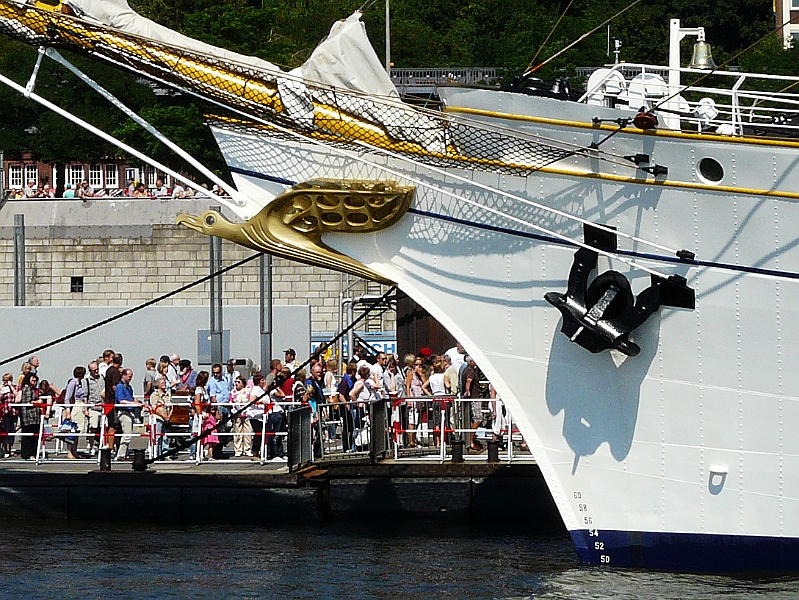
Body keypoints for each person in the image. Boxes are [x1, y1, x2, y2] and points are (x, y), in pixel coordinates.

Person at [62, 366, 87, 459]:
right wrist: (68, 410)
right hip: (75, 406)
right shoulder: (73, 383)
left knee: (77, 431)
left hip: (79, 406)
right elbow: (67, 397)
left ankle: (74, 451)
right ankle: (69, 452)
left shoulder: (80, 383)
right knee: (72, 430)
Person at [114, 368, 139, 461]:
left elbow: (131, 398)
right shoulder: (120, 387)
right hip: (123, 412)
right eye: (129, 377)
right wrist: (133, 403)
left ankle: (124, 453)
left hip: (130, 412)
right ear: (123, 375)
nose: (130, 378)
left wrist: (135, 401)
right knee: (127, 434)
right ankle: (121, 455)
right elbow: (121, 401)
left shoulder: (128, 387)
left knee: (128, 433)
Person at [462, 356, 483, 452]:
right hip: (474, 398)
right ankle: (470, 440)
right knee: (478, 418)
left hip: (473, 398)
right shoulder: (470, 370)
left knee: (474, 419)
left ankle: (470, 439)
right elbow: (469, 380)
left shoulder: (466, 369)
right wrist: (467, 391)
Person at [83, 361, 105, 457]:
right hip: (93, 407)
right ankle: (91, 446)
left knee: (104, 428)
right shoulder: (87, 381)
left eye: (97, 369)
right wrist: (86, 409)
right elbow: (85, 396)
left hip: (103, 407)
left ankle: (103, 446)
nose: (96, 372)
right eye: (94, 370)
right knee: (93, 428)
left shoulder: (103, 378)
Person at [19, 373, 41, 460]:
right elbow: (28, 402)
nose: (34, 382)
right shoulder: (28, 389)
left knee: (29, 435)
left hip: (30, 416)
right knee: (30, 436)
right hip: (30, 416)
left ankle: (29, 453)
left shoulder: (27, 389)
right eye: (33, 380)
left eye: (35, 381)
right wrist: (38, 402)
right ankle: (30, 454)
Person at [149, 375, 172, 458]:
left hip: (166, 418)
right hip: (158, 418)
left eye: (165, 383)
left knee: (165, 437)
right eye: (162, 383)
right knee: (157, 436)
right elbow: (154, 407)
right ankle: (156, 455)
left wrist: (169, 415)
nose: (164, 384)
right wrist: (163, 416)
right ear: (158, 385)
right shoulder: (154, 395)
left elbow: (171, 406)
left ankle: (165, 454)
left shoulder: (167, 395)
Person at [104, 353, 123, 451]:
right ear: (120, 361)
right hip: (113, 403)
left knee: (115, 426)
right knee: (114, 426)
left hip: (108, 401)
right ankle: (110, 448)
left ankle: (115, 447)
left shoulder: (109, 370)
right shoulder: (115, 372)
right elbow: (115, 387)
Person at [230, 376, 253, 457]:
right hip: (237, 414)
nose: (236, 384)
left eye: (238, 382)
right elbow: (231, 401)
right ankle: (238, 449)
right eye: (235, 382)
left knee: (248, 432)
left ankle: (247, 449)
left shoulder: (248, 391)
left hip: (247, 414)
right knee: (237, 432)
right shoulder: (233, 392)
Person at [191, 370, 210, 459]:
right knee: (197, 434)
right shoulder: (198, 390)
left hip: (206, 414)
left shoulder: (204, 389)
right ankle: (194, 453)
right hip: (200, 415)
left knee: (204, 435)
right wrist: (200, 414)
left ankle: (201, 453)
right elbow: (197, 403)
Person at [0, 373, 17, 458]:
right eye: (4, 380)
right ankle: (6, 449)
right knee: (6, 430)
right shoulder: (2, 388)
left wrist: (11, 387)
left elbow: (17, 396)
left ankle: (11, 448)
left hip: (13, 412)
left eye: (6, 380)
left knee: (12, 430)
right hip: (5, 412)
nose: (5, 382)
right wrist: (2, 391)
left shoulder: (15, 387)